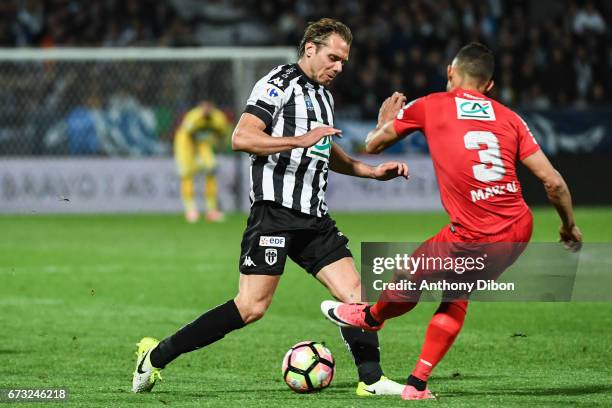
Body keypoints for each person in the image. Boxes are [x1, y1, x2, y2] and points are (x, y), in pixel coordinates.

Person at [132, 18, 410, 396]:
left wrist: (371, 172)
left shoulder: (324, 96)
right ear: (309, 49)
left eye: (344, 61)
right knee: (250, 307)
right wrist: (299, 139)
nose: (339, 67)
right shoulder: (277, 84)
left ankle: (372, 381)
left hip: (314, 216)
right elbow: (241, 136)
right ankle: (155, 356)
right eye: (333, 57)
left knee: (355, 294)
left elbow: (326, 151)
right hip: (274, 214)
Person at [321, 42, 583, 400]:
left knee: (407, 275)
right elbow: (553, 182)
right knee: (458, 291)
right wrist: (569, 226)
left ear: (449, 72)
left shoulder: (431, 105)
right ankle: (416, 384)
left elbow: (371, 146)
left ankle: (371, 318)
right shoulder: (511, 118)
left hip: (474, 232)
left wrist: (384, 121)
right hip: (519, 228)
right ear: (489, 86)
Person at [174, 101, 231, 223]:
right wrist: (195, 156)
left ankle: (211, 211)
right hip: (186, 144)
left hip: (202, 144)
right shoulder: (193, 116)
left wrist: (220, 146)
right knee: (187, 174)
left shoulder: (218, 118)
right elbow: (188, 133)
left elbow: (223, 133)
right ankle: (190, 211)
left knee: (211, 169)